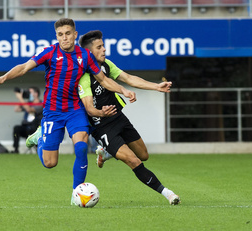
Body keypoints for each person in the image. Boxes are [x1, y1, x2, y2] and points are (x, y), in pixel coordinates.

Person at [0, 18, 136, 202]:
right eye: (60, 34)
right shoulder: (49, 52)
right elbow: (25, 67)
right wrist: (3, 77)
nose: (64, 38)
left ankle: (76, 195)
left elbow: (103, 79)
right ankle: (40, 137)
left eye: (67, 34)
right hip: (53, 112)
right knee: (50, 163)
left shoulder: (85, 56)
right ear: (56, 36)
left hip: (75, 110)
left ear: (74, 34)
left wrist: (124, 90)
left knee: (81, 147)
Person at [77, 30, 180, 205]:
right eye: (99, 47)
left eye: (103, 45)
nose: (104, 49)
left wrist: (156, 87)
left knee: (143, 154)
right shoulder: (84, 77)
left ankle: (106, 153)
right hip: (102, 127)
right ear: (89, 52)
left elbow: (129, 78)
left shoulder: (107, 65)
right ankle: (168, 193)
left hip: (118, 118)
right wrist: (101, 113)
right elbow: (88, 108)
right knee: (134, 160)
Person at [12, 87, 43, 153]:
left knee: (35, 130)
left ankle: (39, 150)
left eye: (30, 92)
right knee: (16, 128)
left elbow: (29, 109)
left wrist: (20, 98)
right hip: (26, 126)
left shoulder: (41, 104)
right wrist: (21, 98)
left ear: (36, 93)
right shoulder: (28, 103)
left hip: (35, 127)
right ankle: (16, 149)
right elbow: (16, 109)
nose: (29, 94)